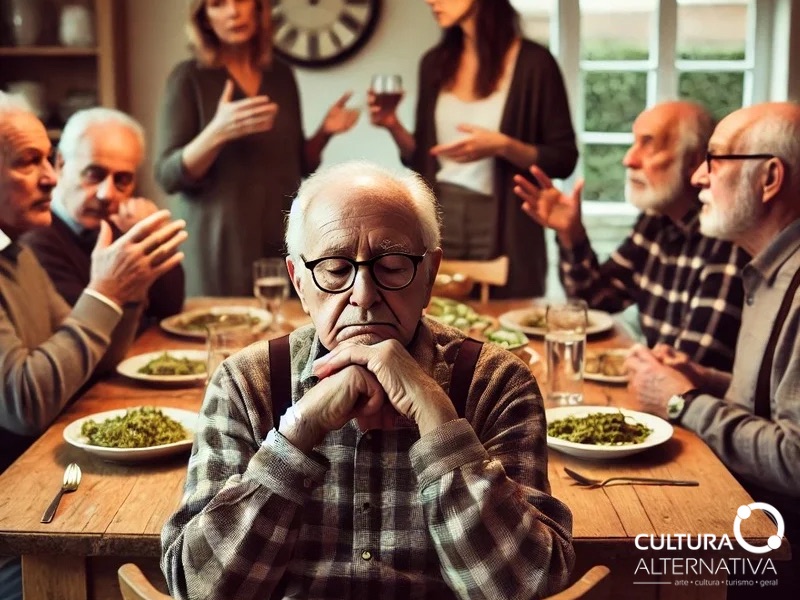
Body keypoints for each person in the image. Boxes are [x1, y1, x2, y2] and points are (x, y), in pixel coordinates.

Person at [161, 161, 574, 599]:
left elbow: (528, 584)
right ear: (298, 280)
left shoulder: (497, 383)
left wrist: (438, 420)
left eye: (393, 266)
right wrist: (297, 432)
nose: (363, 294)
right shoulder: (246, 384)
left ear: (431, 274)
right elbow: (198, 586)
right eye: (335, 269)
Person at [0, 93, 186, 600]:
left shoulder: (16, 252)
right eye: (28, 162)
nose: (50, 178)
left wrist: (123, 296)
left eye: (47, 159)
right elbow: (24, 402)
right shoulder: (34, 244)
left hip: (48, 479)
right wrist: (104, 291)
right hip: (16, 529)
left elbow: (95, 361)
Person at [625, 102, 800, 596]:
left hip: (774, 555)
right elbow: (773, 400)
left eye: (715, 159)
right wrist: (707, 380)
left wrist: (685, 402)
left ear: (768, 179)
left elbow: (795, 458)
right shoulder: (769, 270)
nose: (698, 177)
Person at [514, 101, 748, 371]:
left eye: (648, 144)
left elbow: (689, 369)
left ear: (694, 160)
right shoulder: (656, 221)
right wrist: (571, 233)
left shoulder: (724, 235)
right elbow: (596, 301)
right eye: (634, 143)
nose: (629, 159)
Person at [368, 0, 578, 298]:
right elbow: (423, 158)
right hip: (441, 212)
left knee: (503, 321)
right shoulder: (433, 63)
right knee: (436, 318)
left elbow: (563, 159)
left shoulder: (534, 63)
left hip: (505, 221)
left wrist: (503, 146)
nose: (430, 1)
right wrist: (393, 125)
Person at [155, 0, 359, 297]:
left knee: (282, 333)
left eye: (241, 0)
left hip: (280, 235)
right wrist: (217, 132)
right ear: (204, 18)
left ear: (259, 8)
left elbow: (298, 164)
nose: (233, 11)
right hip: (219, 242)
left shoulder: (281, 75)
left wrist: (324, 132)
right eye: (217, 4)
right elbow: (167, 175)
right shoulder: (188, 77)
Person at [21, 107, 185, 330]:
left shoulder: (123, 224)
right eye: (94, 174)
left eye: (122, 179)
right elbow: (89, 333)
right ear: (60, 164)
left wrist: (151, 241)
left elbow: (169, 309)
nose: (106, 194)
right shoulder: (35, 234)